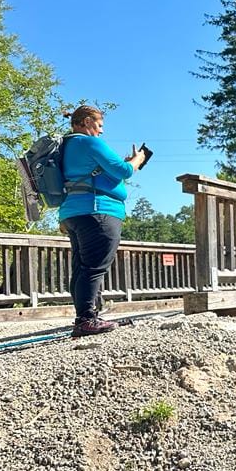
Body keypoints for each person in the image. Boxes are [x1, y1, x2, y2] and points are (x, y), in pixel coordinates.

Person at [59, 105, 146, 337]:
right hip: (97, 210)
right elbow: (125, 171)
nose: (101, 131)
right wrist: (137, 160)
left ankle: (88, 316)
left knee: (82, 266)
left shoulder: (69, 145)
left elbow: (105, 172)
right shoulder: (88, 142)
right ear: (87, 121)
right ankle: (86, 320)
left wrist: (122, 165)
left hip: (74, 213)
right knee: (94, 267)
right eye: (99, 125)